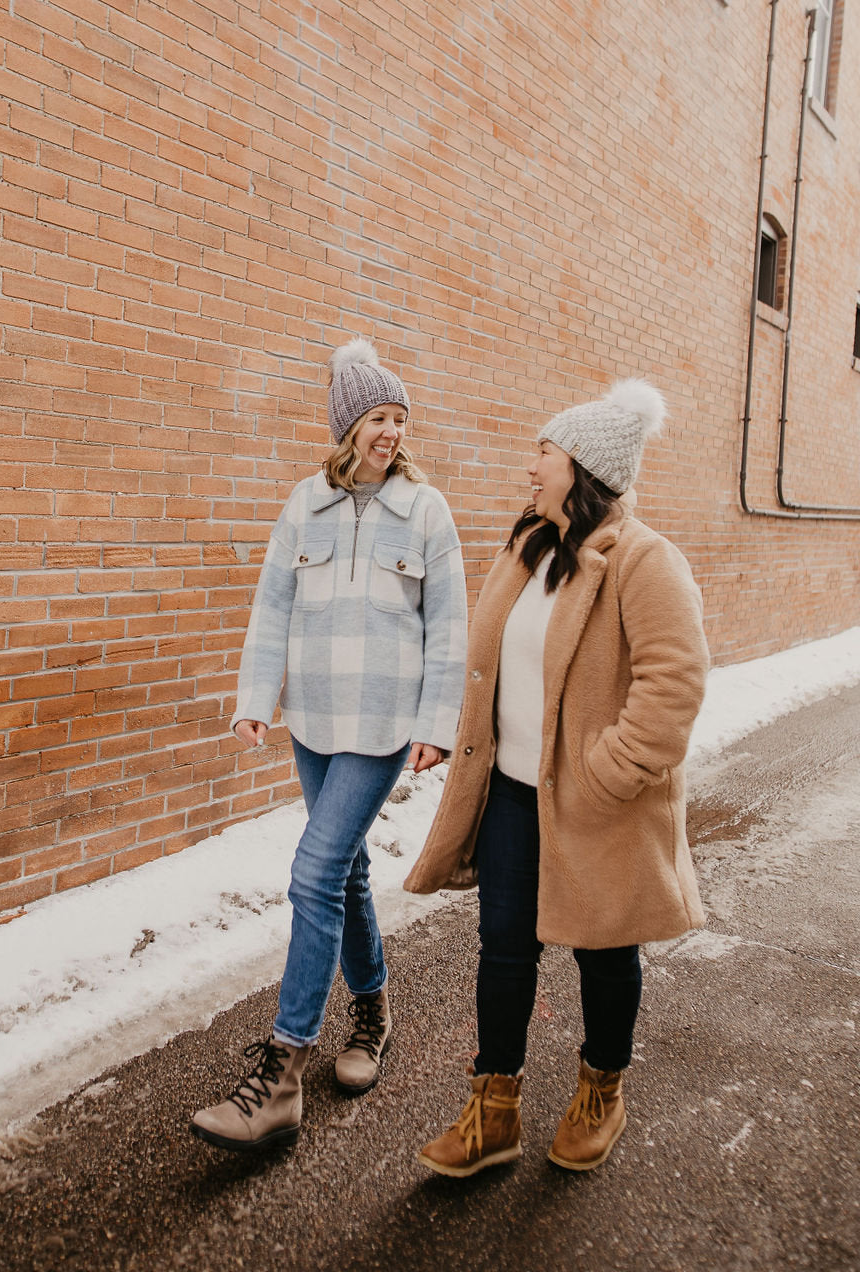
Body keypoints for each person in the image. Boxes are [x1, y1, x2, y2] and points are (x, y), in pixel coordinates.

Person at [405, 378, 709, 1177]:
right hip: (511, 792)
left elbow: (673, 684)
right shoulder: (526, 547)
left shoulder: (645, 560)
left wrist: (606, 772)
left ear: (582, 465)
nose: (530, 466)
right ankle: (492, 1109)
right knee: (502, 951)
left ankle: (601, 1089)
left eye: (544, 451)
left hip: (597, 802)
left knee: (604, 955)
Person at [190, 337, 467, 1153]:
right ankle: (374, 1010)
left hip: (382, 726)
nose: (391, 431)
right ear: (348, 427)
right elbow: (271, 608)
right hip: (314, 719)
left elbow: (448, 627)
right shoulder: (302, 503)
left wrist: (435, 724)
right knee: (342, 872)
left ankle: (281, 1071)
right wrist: (255, 700)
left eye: (398, 418)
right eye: (378, 417)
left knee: (312, 872)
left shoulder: (426, 510)